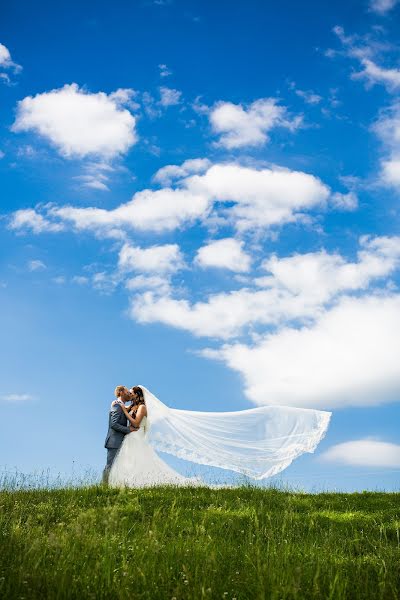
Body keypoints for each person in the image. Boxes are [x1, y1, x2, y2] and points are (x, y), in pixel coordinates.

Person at [106, 385, 332, 488]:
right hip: (133, 441)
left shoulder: (142, 409)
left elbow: (135, 423)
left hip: (136, 439)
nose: (130, 398)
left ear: (139, 397)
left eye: (133, 395)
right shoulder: (133, 406)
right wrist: (125, 409)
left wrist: (125, 411)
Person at [102, 385, 136, 485]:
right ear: (121, 392)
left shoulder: (121, 405)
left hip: (119, 441)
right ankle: (104, 487)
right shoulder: (116, 404)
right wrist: (128, 429)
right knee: (110, 466)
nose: (129, 394)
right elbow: (114, 424)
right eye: (127, 392)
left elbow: (126, 410)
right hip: (114, 441)